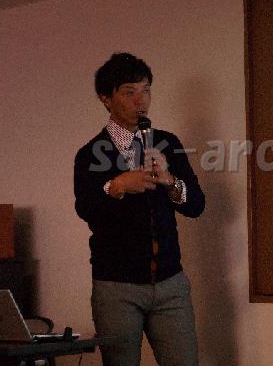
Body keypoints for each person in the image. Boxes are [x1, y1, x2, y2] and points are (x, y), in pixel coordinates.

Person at [74, 52, 205, 365]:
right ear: (106, 99)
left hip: (170, 283)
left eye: (146, 90)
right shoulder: (90, 154)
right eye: (129, 92)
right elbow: (86, 208)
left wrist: (170, 181)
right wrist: (117, 185)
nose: (140, 100)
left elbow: (196, 206)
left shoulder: (167, 143)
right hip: (116, 287)